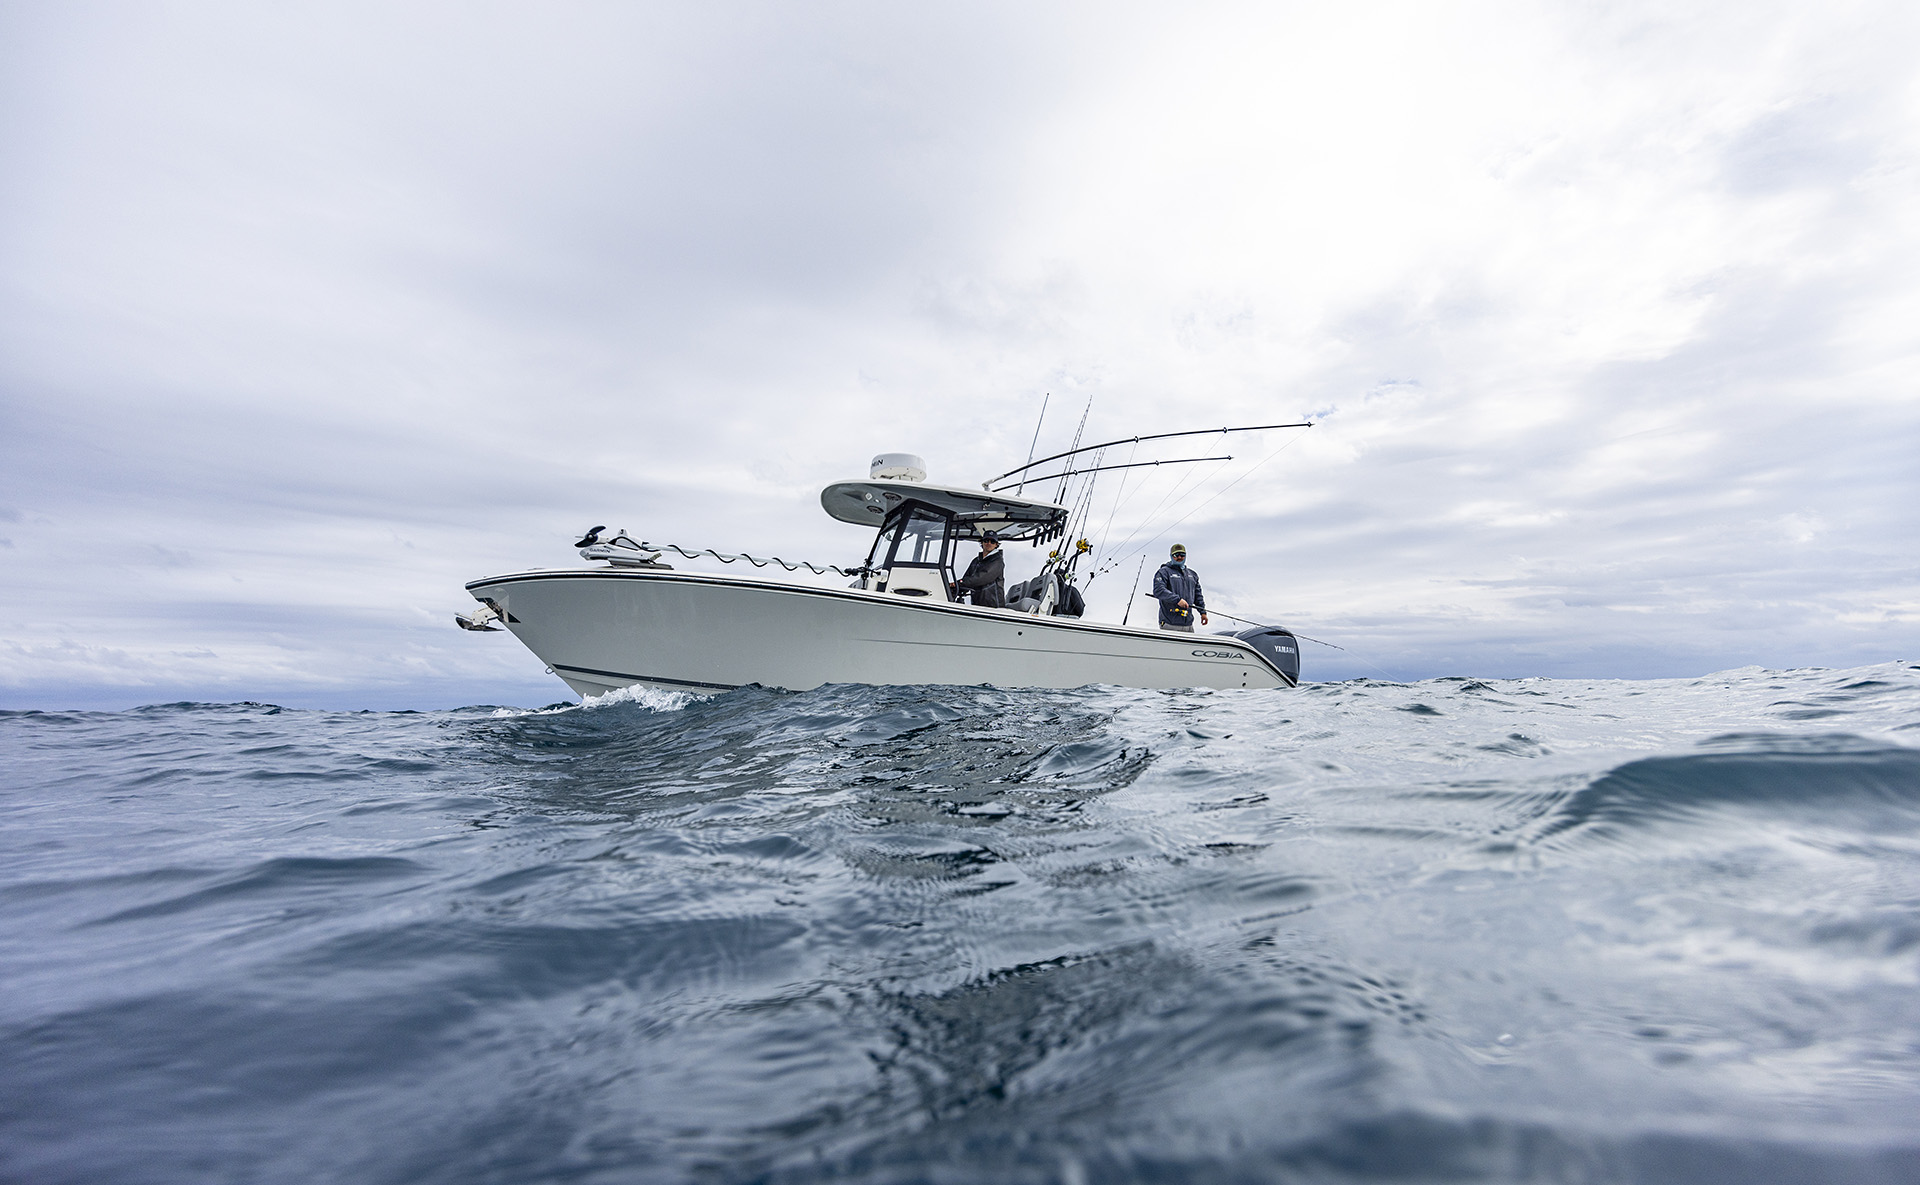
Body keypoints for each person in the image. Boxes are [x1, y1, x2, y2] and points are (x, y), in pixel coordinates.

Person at [1151, 543, 1207, 632]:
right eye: (1176, 555)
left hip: (1188, 625)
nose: (1179, 557)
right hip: (1169, 624)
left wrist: (1203, 612)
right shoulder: (1163, 572)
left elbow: (1198, 595)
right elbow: (1158, 590)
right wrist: (1177, 600)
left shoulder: (1193, 575)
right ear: (1171, 556)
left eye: (1182, 555)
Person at [954, 530, 1006, 608]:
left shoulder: (997, 561)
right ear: (982, 542)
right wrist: (955, 587)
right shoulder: (976, 560)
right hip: (978, 604)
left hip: (993, 607)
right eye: (986, 541)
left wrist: (959, 583)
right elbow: (967, 578)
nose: (989, 543)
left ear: (996, 545)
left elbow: (982, 578)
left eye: (992, 541)